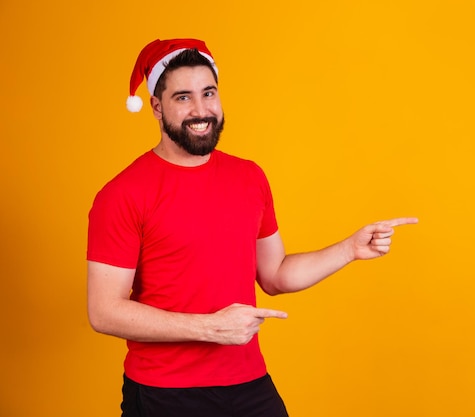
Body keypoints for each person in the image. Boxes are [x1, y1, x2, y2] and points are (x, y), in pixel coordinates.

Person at [87, 38, 417, 417]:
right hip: (165, 392)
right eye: (183, 98)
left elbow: (274, 276)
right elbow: (104, 311)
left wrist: (349, 249)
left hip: (247, 383)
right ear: (157, 108)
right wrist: (211, 329)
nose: (201, 109)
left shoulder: (249, 177)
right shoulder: (123, 193)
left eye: (208, 93)